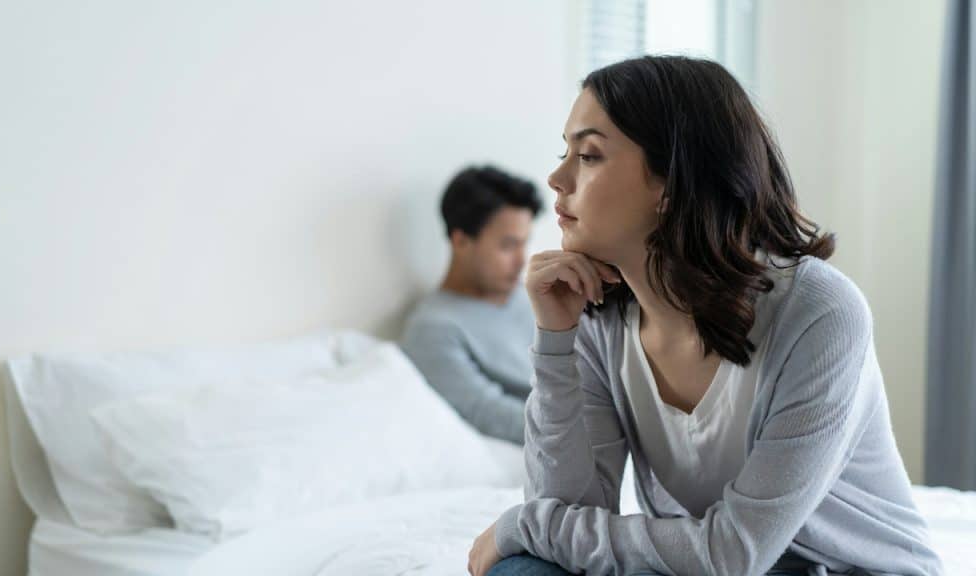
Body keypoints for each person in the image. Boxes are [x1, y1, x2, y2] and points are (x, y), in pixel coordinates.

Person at [467, 56, 943, 576]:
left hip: (845, 569)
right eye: (565, 153)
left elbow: (732, 553)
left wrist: (524, 526)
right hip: (703, 565)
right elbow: (568, 512)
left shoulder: (820, 314)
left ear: (673, 184)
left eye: (588, 155)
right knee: (525, 571)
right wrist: (555, 339)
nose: (557, 179)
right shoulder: (599, 318)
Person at [400, 165, 544, 445]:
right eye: (507, 246)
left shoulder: (531, 297)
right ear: (461, 241)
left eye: (524, 244)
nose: (521, 260)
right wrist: (587, 431)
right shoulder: (433, 329)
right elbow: (488, 412)